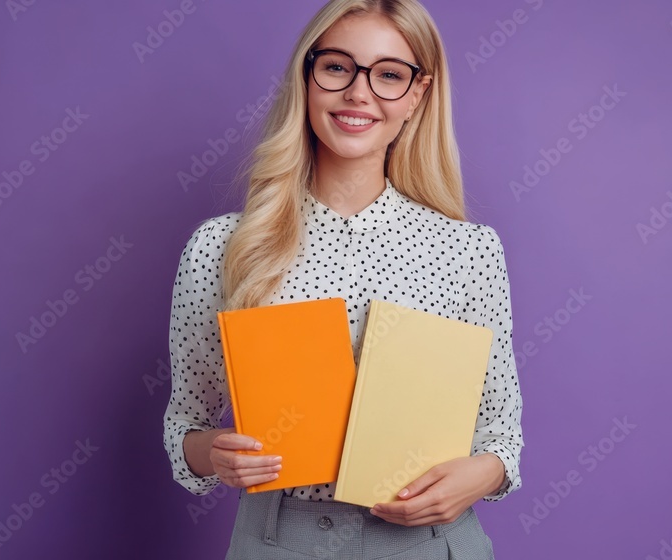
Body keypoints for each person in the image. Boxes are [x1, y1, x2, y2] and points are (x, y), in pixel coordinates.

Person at [163, 0, 524, 557]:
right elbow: (185, 424)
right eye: (337, 67)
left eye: (388, 75)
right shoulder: (222, 247)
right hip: (279, 539)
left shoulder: (469, 251)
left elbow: (501, 436)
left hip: (431, 545)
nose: (359, 93)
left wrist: (480, 477)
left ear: (417, 96)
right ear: (307, 77)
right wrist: (215, 453)